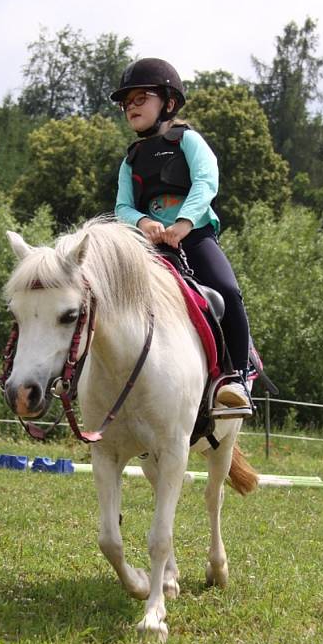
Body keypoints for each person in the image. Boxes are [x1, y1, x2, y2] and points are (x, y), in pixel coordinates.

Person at [111, 57, 252, 417]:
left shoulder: (188, 140)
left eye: (141, 99)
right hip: (149, 247)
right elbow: (122, 207)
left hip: (194, 237)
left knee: (228, 291)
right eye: (127, 103)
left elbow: (207, 181)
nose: (131, 108)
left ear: (169, 103)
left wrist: (185, 223)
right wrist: (143, 222)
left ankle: (235, 376)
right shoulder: (130, 159)